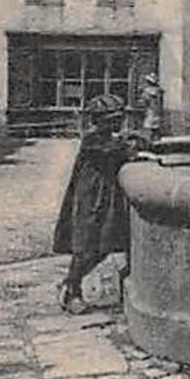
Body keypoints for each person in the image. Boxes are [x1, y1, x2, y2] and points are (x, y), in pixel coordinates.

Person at [53, 93, 144, 313]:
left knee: (105, 245)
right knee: (86, 246)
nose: (117, 122)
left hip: (108, 196)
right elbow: (115, 151)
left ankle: (71, 284)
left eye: (118, 118)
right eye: (112, 119)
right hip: (89, 198)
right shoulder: (92, 139)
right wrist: (131, 144)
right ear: (100, 120)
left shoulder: (109, 138)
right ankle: (71, 290)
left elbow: (121, 148)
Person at [139, 72, 165, 144]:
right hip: (158, 110)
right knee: (156, 126)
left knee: (149, 125)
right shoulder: (159, 91)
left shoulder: (146, 91)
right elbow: (161, 101)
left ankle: (150, 141)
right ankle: (156, 140)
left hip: (150, 109)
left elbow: (145, 101)